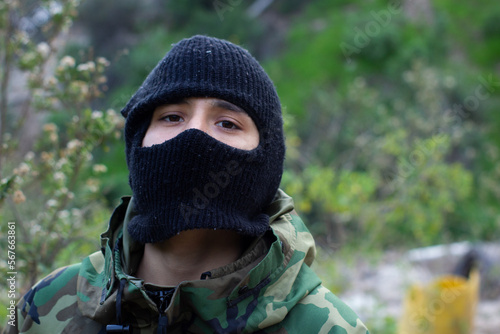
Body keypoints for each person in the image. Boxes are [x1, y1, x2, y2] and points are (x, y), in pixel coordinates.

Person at [6, 35, 369, 333]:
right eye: (172, 116)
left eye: (227, 123)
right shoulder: (43, 306)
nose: (193, 133)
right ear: (138, 141)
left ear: (267, 158)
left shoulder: (328, 327)